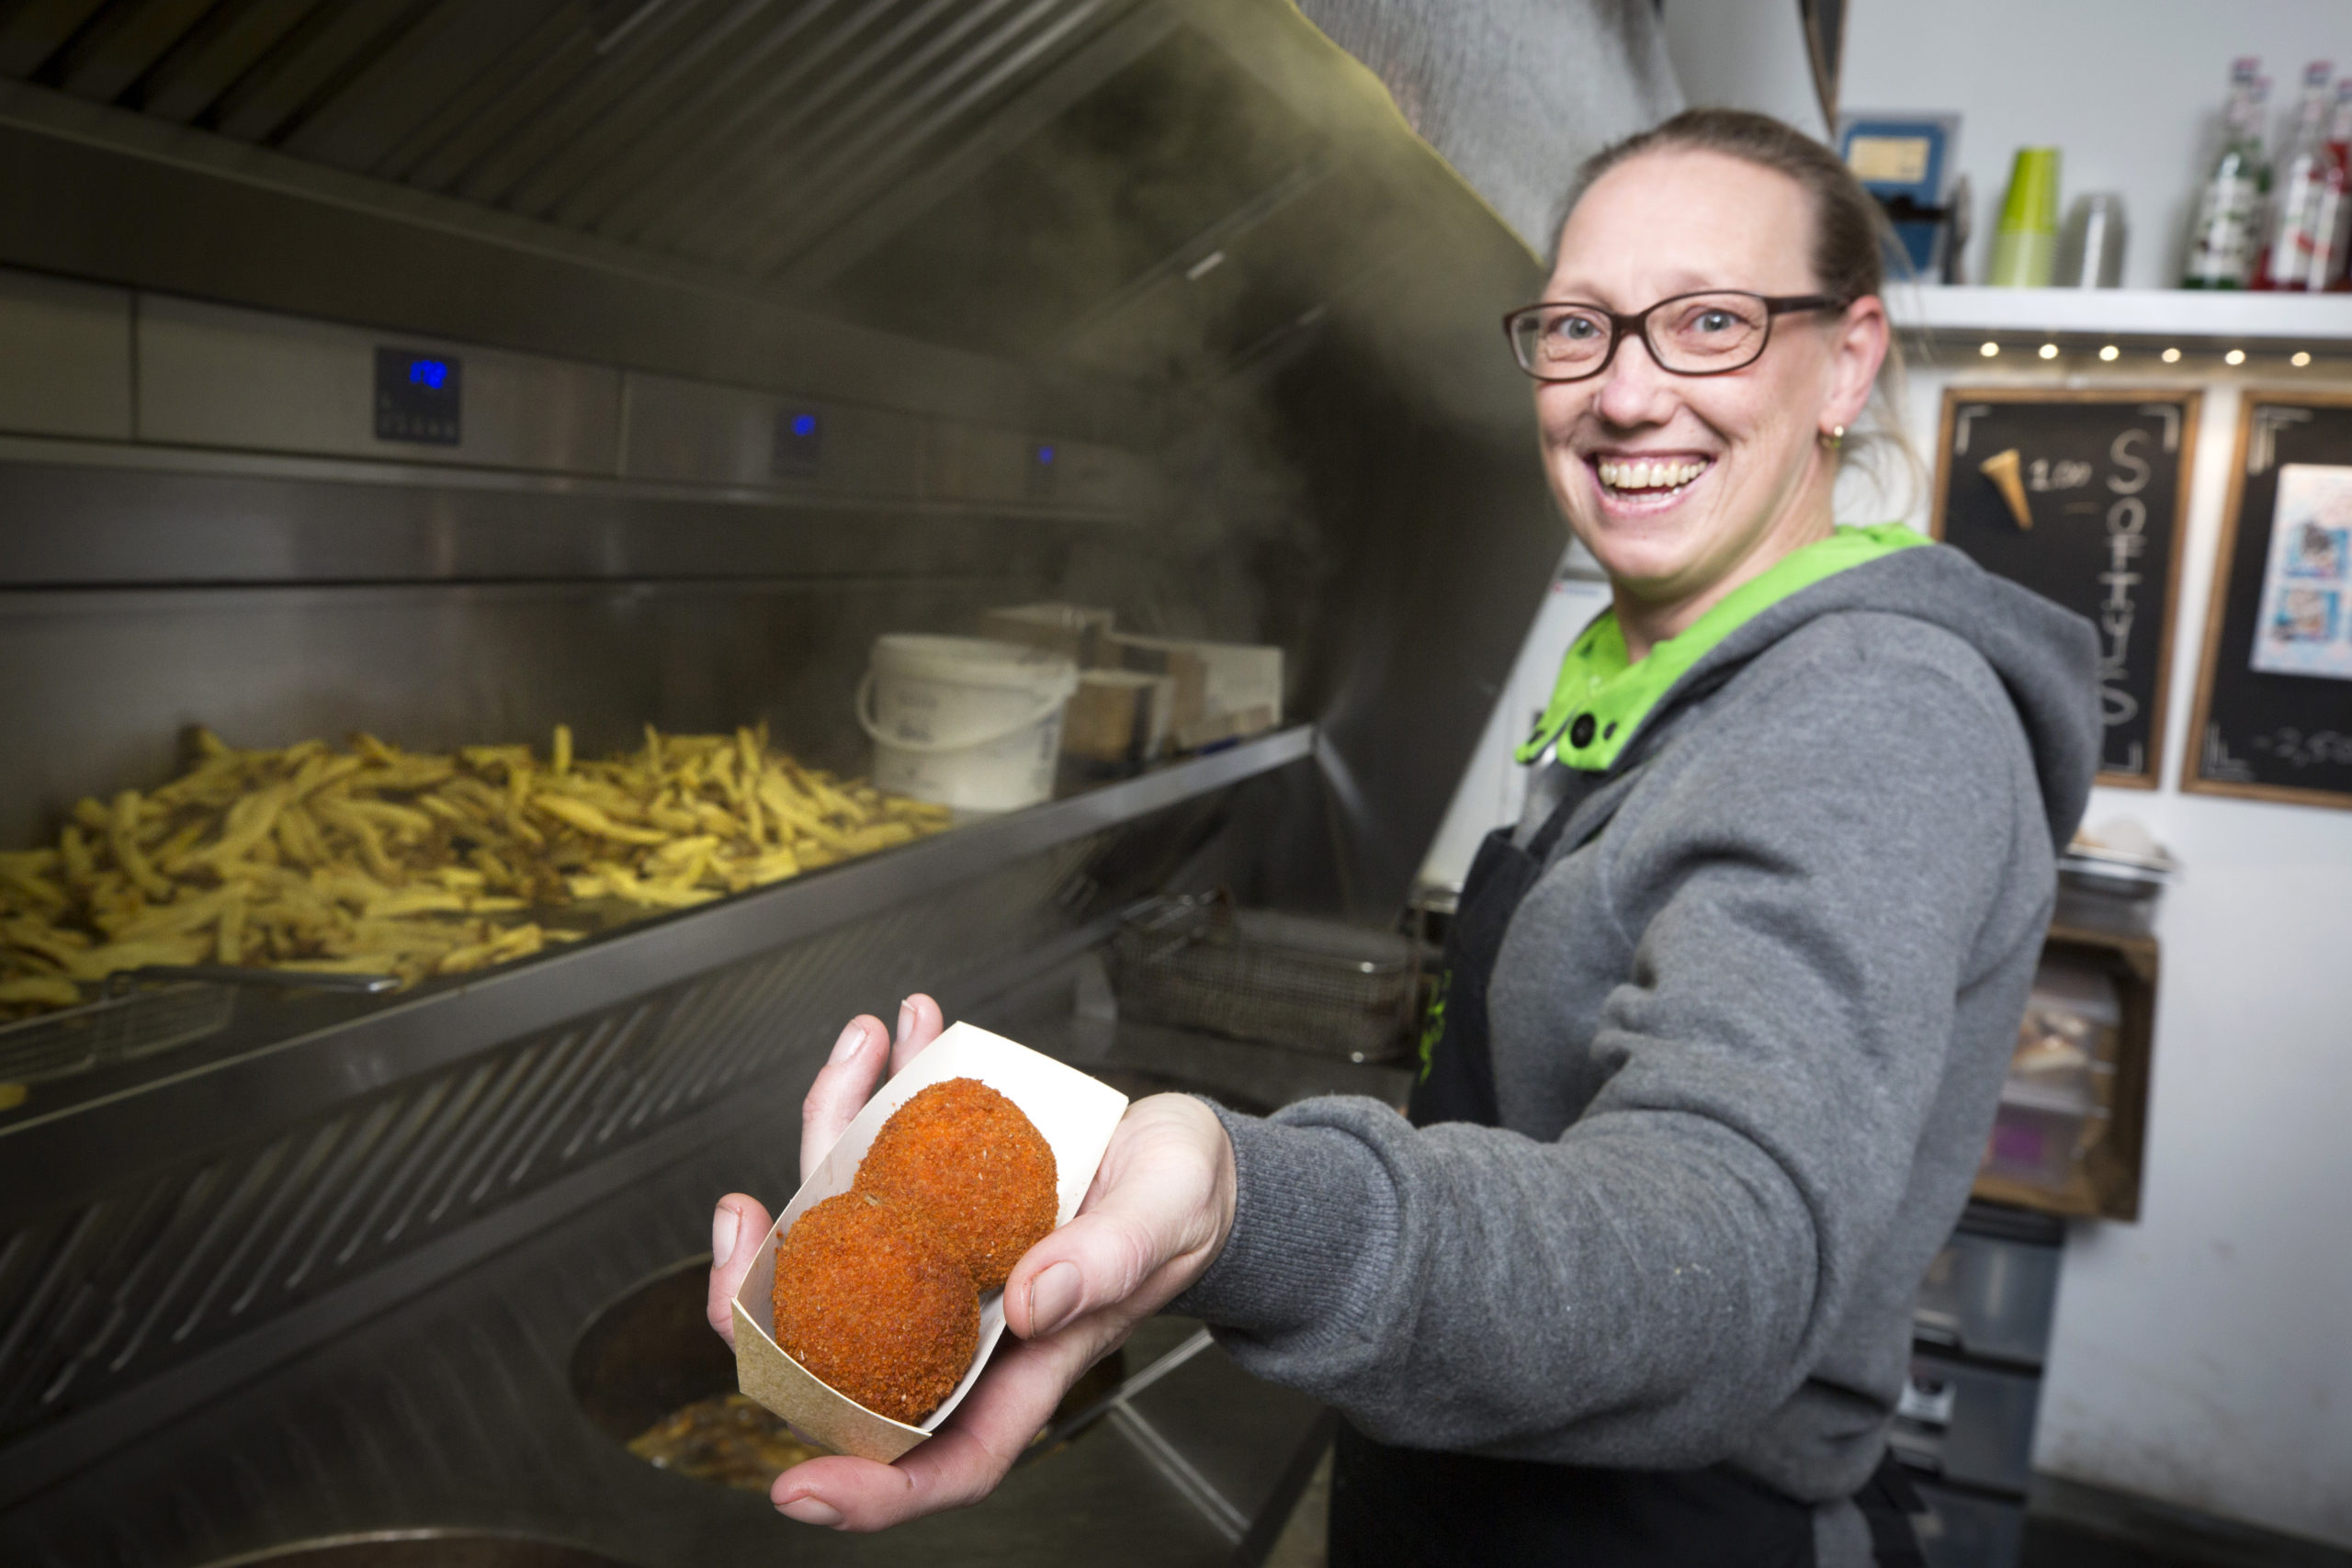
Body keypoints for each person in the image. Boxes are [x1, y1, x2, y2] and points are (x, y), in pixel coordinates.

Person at [706, 108, 2098, 1567]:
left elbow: (1720, 1250)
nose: (1626, 394)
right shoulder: (1671, 669)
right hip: (1471, 1482)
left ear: (1850, 359)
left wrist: (1250, 1207)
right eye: (1579, 327)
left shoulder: (1872, 713)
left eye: (1709, 324)